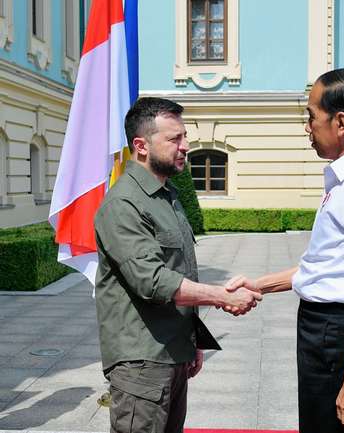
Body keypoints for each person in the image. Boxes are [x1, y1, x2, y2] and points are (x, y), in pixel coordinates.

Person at [226, 68, 344, 433]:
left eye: (311, 116)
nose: (307, 127)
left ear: (340, 122)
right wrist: (257, 285)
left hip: (337, 334)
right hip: (322, 329)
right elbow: (324, 267)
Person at [94, 97, 262, 433]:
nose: (185, 146)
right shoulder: (124, 203)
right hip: (142, 362)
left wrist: (193, 340)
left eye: (184, 137)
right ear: (141, 146)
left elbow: (180, 268)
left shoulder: (165, 195)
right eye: (174, 139)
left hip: (172, 352)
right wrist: (222, 296)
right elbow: (153, 281)